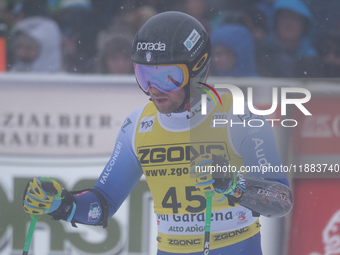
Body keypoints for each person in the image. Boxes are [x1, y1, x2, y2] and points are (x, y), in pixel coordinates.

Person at [22, 11, 293, 255]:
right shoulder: (137, 125)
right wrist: (61, 204)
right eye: (144, 75)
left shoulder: (240, 115)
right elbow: (102, 205)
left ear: (197, 71)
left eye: (167, 77)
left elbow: (281, 201)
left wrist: (234, 185)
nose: (153, 88)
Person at [256, 0, 317, 77]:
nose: (289, 23)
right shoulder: (260, 52)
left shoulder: (312, 58)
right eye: (285, 17)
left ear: (305, 24)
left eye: (295, 18)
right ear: (274, 22)